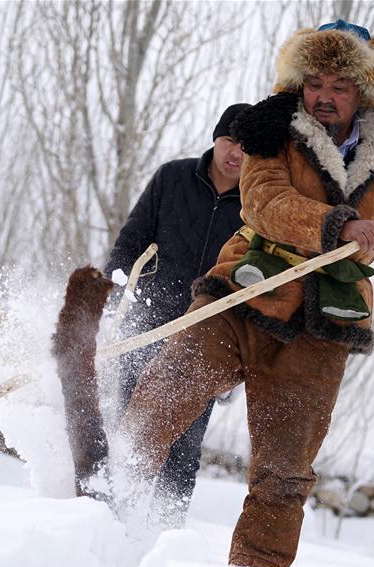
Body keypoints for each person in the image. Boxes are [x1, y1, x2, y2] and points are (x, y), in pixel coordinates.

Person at [112, 20, 374, 567]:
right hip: (240, 298)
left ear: (365, 91)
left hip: (321, 328)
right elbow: (265, 202)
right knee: (155, 405)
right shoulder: (270, 128)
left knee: (285, 472)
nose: (324, 96)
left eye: (339, 86)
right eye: (316, 82)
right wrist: (340, 225)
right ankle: (98, 518)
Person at [102, 102, 251, 523]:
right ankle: (105, 520)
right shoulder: (173, 178)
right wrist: (109, 302)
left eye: (246, 146)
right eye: (229, 141)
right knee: (130, 433)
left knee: (183, 448)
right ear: (215, 139)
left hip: (205, 342)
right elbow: (130, 243)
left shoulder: (258, 205)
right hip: (148, 323)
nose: (235, 153)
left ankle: (163, 535)